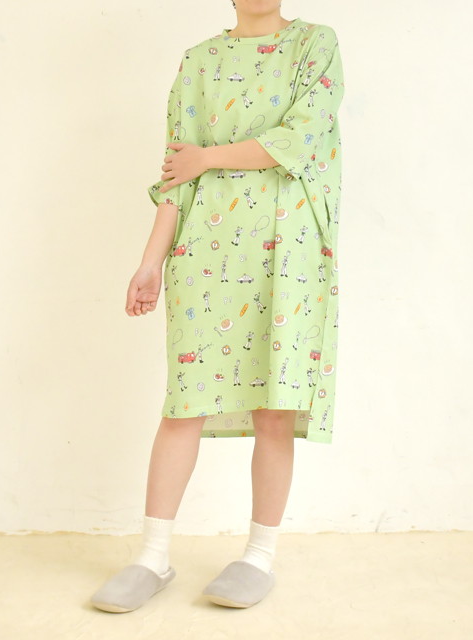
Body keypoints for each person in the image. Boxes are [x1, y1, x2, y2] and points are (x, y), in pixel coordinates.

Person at [90, 0, 345, 612]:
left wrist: (207, 156)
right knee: (184, 405)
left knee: (274, 409)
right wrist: (150, 261)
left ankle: (258, 556)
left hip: (289, 255)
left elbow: (298, 140)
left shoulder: (315, 44)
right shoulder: (198, 61)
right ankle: (152, 557)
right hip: (205, 252)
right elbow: (176, 176)